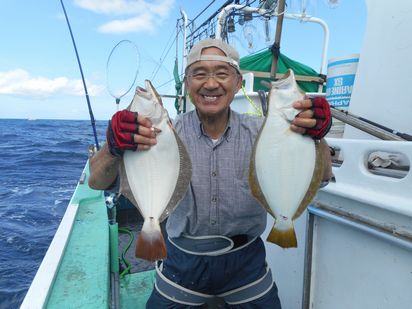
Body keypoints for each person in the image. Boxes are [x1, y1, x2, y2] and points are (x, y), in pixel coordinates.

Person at [89, 38, 333, 308]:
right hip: (181, 261)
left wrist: (316, 139)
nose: (211, 84)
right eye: (199, 74)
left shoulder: (265, 132)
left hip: (246, 262)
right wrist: (113, 147)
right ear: (188, 83)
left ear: (238, 83)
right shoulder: (161, 135)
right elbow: (96, 181)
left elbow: (322, 176)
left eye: (222, 73)